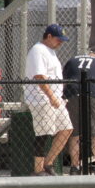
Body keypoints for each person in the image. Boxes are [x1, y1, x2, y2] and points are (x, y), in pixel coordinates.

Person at [24, 24, 74, 176]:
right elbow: (39, 76)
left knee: (66, 129)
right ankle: (38, 170)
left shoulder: (50, 51)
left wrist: (57, 96)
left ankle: (48, 163)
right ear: (49, 36)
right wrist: (51, 96)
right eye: (58, 39)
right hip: (41, 99)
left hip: (55, 99)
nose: (61, 43)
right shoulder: (38, 50)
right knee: (44, 134)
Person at [62, 51, 95, 175]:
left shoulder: (73, 59)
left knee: (75, 134)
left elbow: (64, 81)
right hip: (92, 93)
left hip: (72, 94)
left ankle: (74, 167)